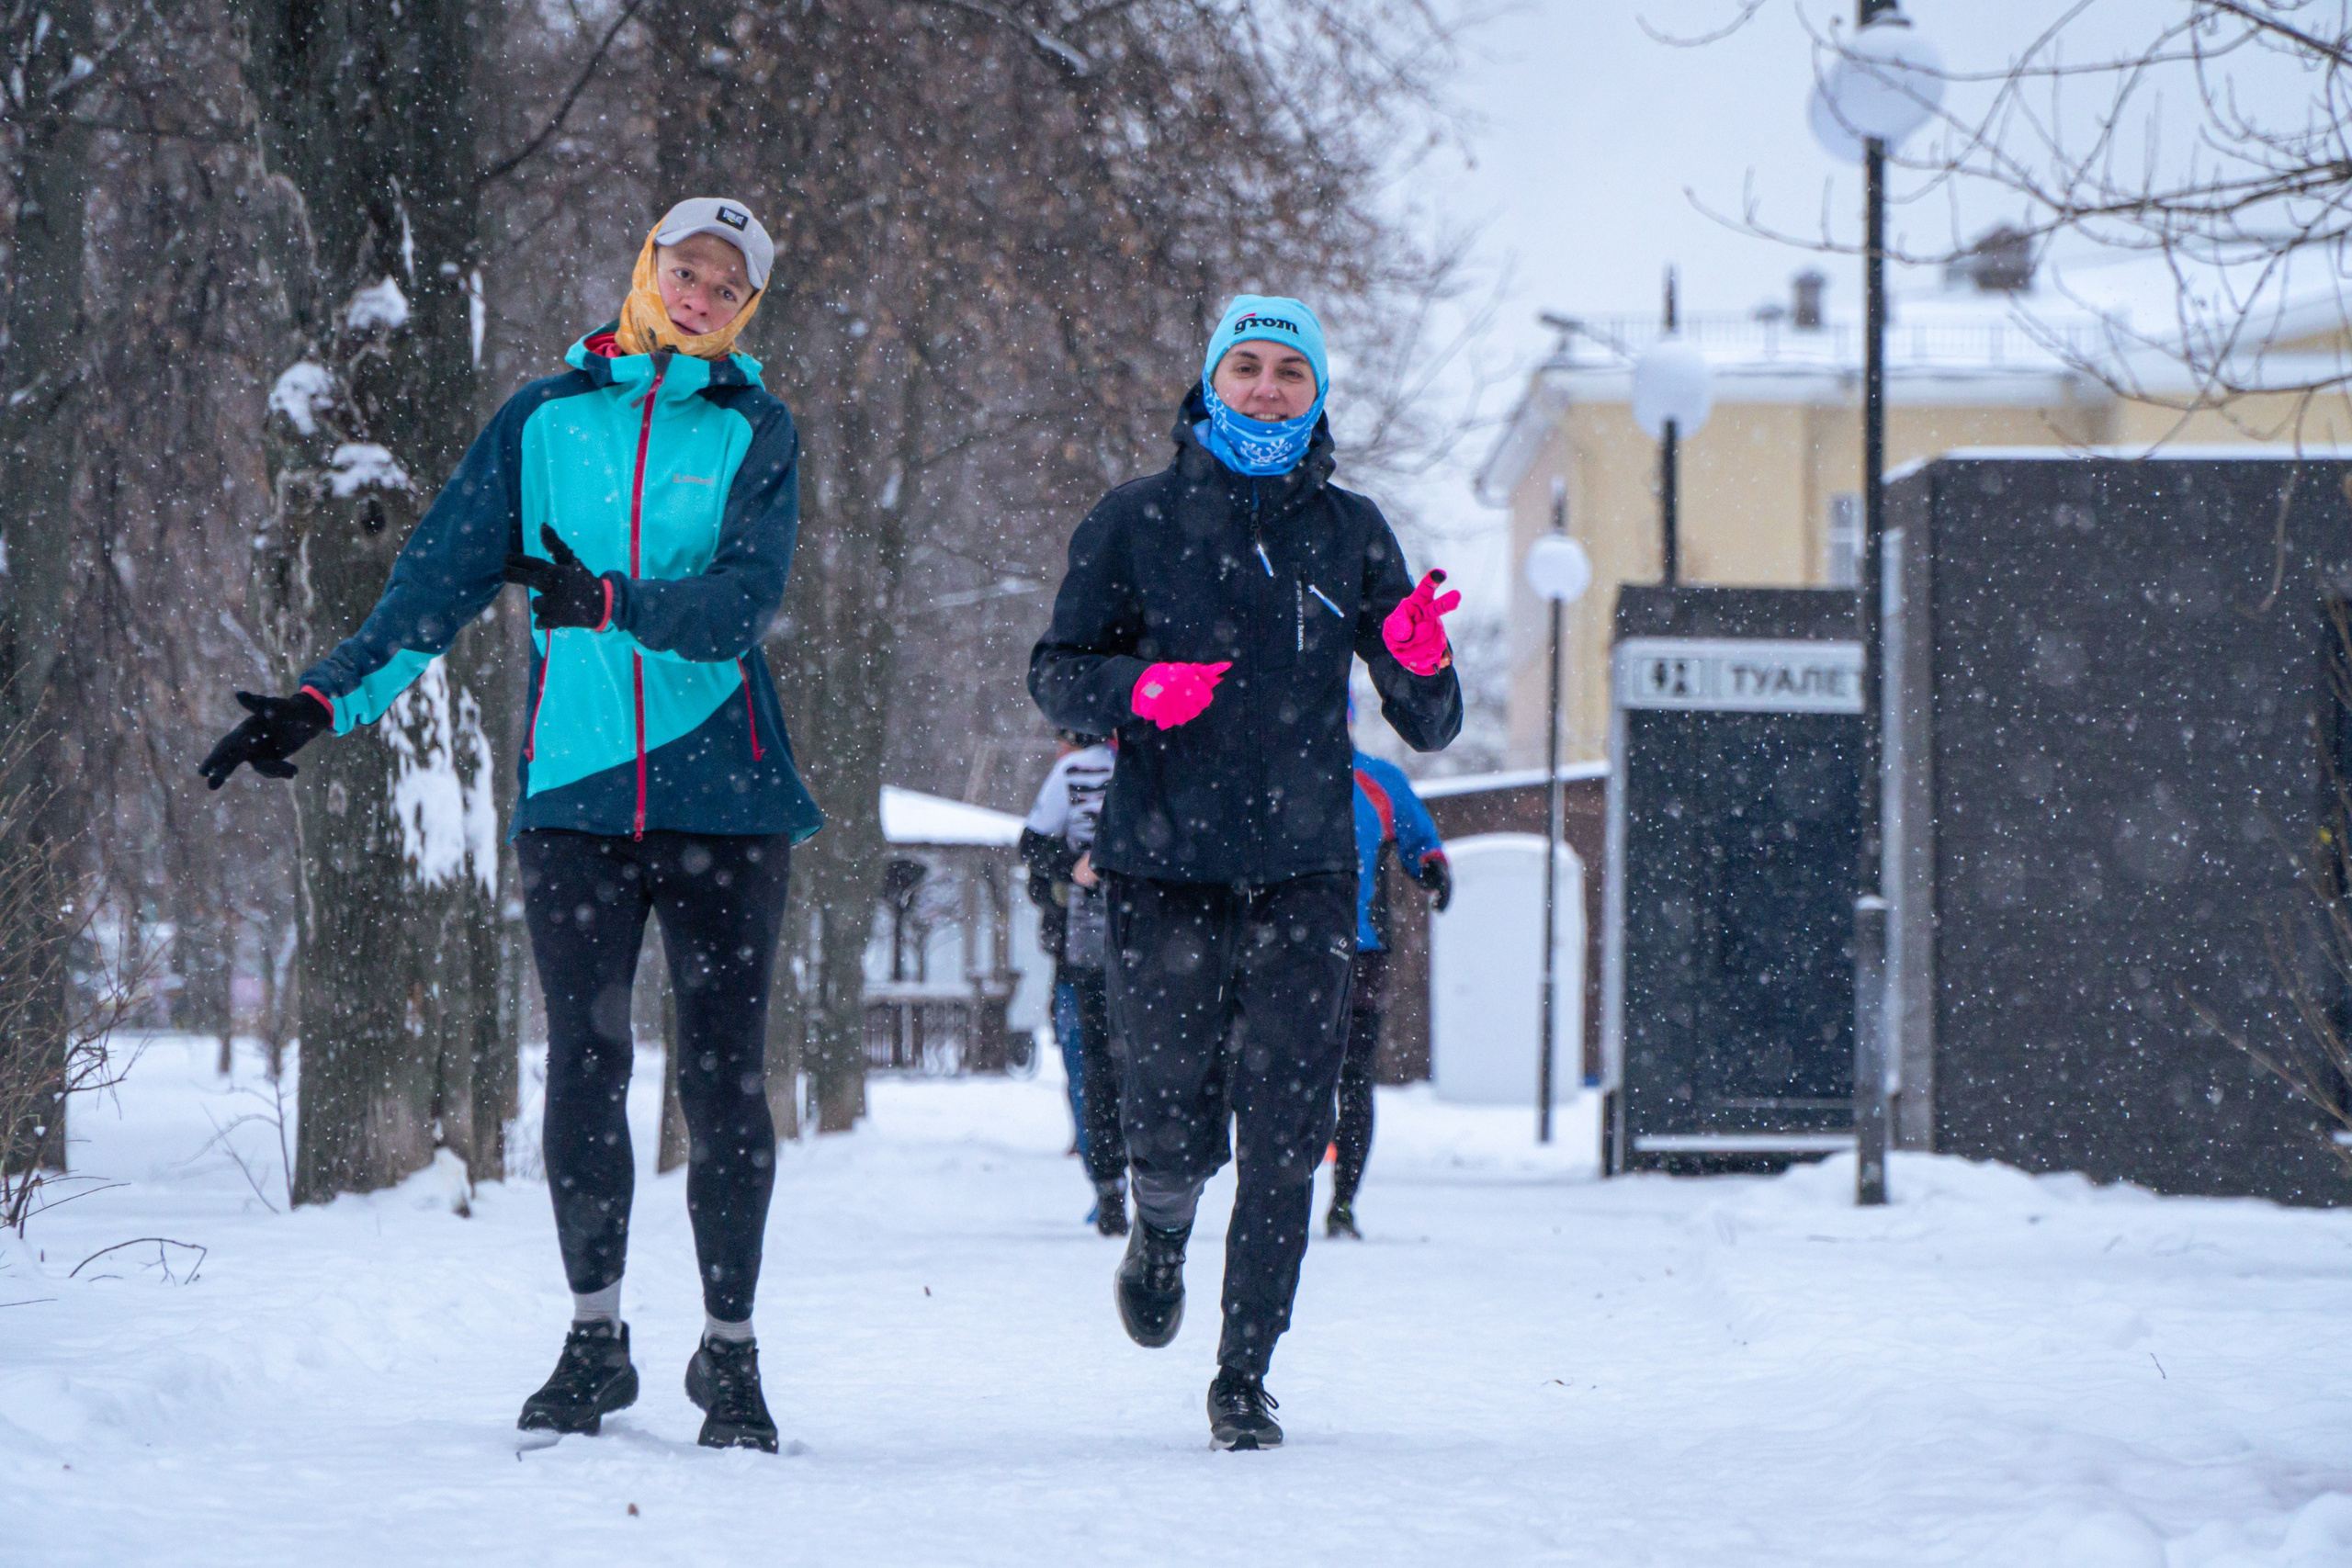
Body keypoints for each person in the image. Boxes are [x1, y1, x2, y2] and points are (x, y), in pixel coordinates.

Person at [198, 197, 822, 1455]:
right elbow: (433, 580)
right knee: (585, 1068)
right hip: (578, 800)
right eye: (683, 270)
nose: (699, 295)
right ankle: (596, 1338)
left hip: (727, 796)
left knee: (722, 1080)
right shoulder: (545, 420)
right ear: (645, 267)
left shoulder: (755, 427)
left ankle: (732, 1355)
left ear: (744, 308)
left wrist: (613, 598)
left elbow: (744, 601)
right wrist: (324, 700)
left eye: (725, 285)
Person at [1029, 294, 1462, 1450]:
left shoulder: (1352, 532)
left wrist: (1422, 660)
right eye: (1248, 368)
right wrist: (1135, 692)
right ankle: (1160, 1226)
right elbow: (1056, 671)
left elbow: (1429, 723)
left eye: (1289, 373)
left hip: (1306, 871)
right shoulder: (1135, 520)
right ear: (1211, 381)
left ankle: (1242, 1372)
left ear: (1317, 393)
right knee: (1170, 1114)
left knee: (1285, 1127)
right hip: (1161, 864)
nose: (1267, 389)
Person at [1329, 741, 1450, 1240]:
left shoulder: (1375, 777)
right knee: (1295, 1078)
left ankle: (1342, 1202)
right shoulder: (1270, 767)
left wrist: (1431, 864)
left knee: (1353, 1079)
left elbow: (1418, 836)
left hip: (1362, 951)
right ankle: (1283, 1193)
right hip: (1288, 952)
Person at [1019, 728, 1128, 1234]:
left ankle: (1154, 1186)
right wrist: (1076, 869)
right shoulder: (1076, 772)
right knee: (1098, 1067)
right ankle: (1109, 1186)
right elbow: (1034, 847)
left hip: (1170, 941)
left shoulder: (1186, 759)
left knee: (1152, 1066)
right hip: (1091, 943)